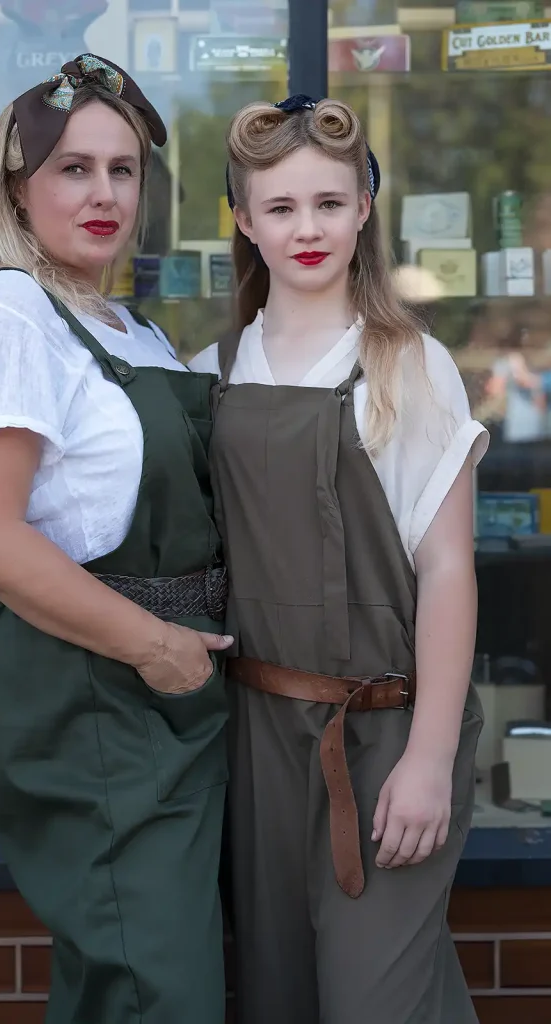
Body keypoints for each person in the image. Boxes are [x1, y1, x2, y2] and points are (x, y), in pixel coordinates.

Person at [0, 54, 231, 1024]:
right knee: (157, 992)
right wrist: (159, 648)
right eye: (71, 167)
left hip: (170, 704)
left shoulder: (134, 331)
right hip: (91, 698)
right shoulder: (5, 312)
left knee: (135, 984)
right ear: (18, 186)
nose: (103, 192)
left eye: (123, 168)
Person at [190, 95, 489, 1023]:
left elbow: (446, 568)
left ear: (364, 206)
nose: (306, 228)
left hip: (385, 730)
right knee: (275, 999)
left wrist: (430, 756)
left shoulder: (409, 363)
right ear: (242, 220)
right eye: (279, 208)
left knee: (375, 1003)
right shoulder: (214, 368)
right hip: (254, 739)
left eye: (328, 202)